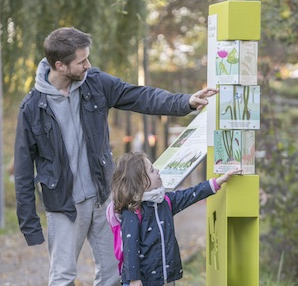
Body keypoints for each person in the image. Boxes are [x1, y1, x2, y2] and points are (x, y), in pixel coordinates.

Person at [14, 27, 218, 286]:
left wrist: (185, 102)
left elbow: (139, 96)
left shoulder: (96, 83)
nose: (88, 65)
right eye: (82, 61)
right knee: (63, 277)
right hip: (65, 206)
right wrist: (29, 224)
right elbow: (23, 170)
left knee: (112, 275)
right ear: (60, 65)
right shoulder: (32, 108)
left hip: (104, 199)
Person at [111, 152, 242, 286]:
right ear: (141, 182)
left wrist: (218, 181)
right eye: (151, 170)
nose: (157, 171)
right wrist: (134, 278)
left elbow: (190, 195)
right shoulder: (131, 212)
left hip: (166, 278)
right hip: (143, 281)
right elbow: (130, 247)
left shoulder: (164, 201)